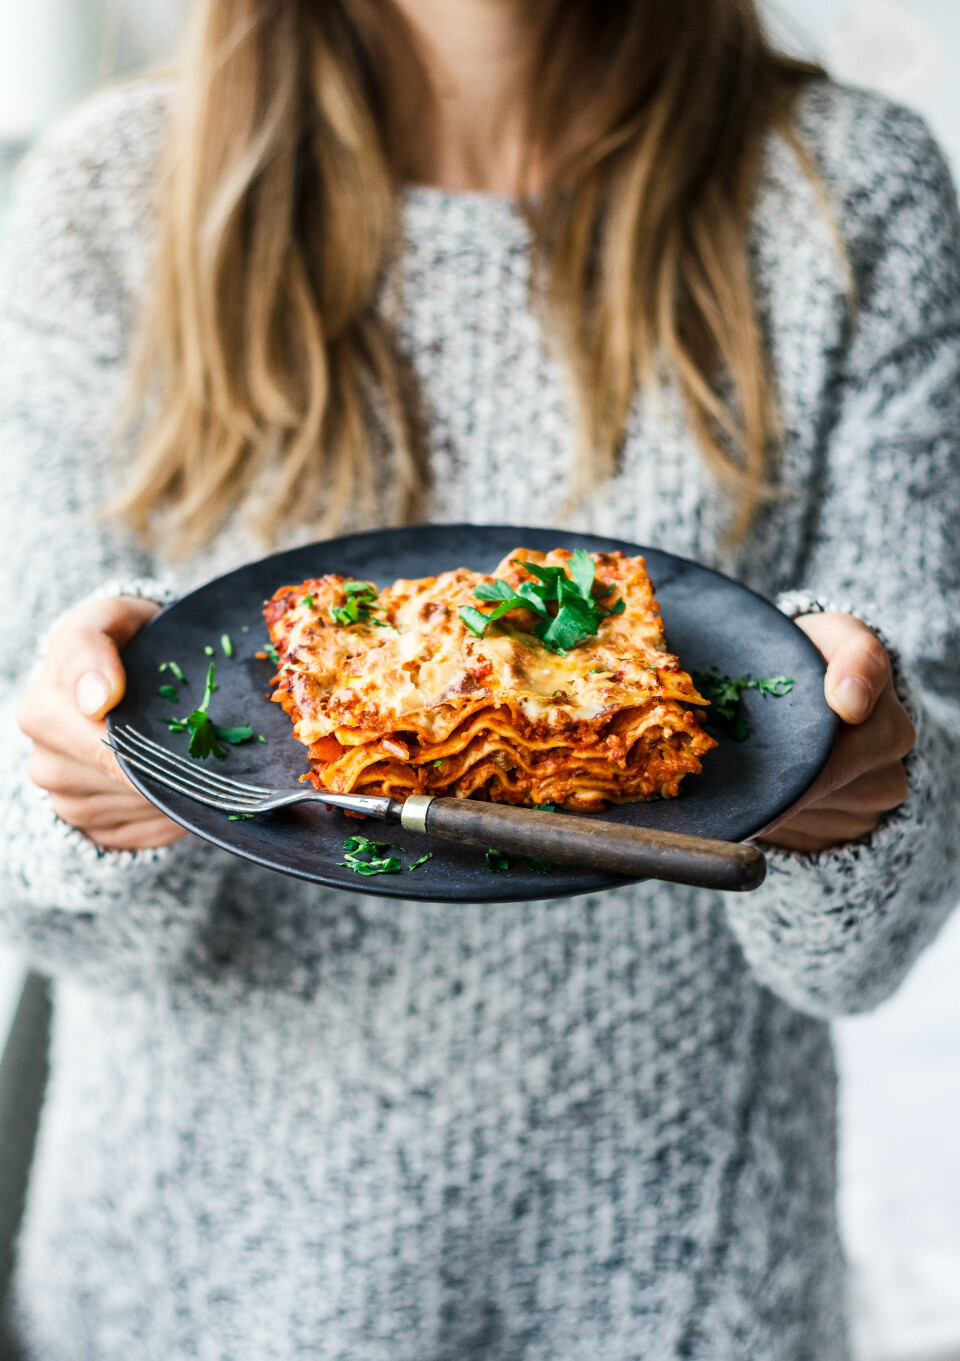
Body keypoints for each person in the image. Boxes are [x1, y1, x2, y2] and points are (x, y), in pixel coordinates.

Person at [0, 0, 956, 1356]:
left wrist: (845, 760)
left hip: (678, 1275)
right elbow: (55, 908)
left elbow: (871, 948)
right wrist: (69, 781)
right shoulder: (107, 195)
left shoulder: (849, 194)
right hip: (199, 1280)